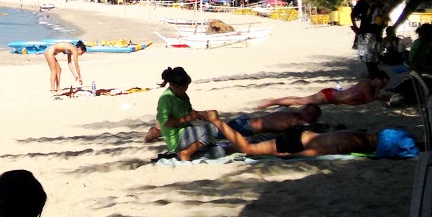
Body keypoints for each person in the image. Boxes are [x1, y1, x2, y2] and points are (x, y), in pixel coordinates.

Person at [203, 114, 417, 158]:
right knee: (249, 149)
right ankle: (216, 121)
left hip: (301, 134)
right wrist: (292, 156)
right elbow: (318, 151)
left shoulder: (359, 134)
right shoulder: (349, 143)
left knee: (251, 146)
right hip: (296, 142)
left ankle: (221, 147)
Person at [143, 104, 321, 145]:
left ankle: (167, 126)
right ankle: (159, 131)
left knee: (207, 129)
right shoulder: (296, 119)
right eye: (309, 111)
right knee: (209, 131)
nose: (309, 115)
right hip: (245, 126)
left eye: (312, 115)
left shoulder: (296, 118)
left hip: (246, 124)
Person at [155, 66, 218, 161]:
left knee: (218, 152)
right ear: (171, 85)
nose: (183, 90)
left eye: (185, 87)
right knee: (213, 129)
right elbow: (165, 122)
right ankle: (186, 153)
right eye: (180, 88)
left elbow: (188, 111)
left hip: (187, 131)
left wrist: (199, 115)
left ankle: (188, 151)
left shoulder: (183, 95)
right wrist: (186, 118)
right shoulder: (165, 99)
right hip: (177, 137)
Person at [255, 67, 391, 108]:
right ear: (378, 79)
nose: (383, 85)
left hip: (333, 97)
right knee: (300, 101)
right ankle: (272, 102)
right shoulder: (367, 85)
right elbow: (370, 100)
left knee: (300, 100)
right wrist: (379, 90)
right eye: (383, 83)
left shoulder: (368, 85)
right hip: (330, 96)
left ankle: (277, 101)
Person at [350, 0, 387, 71]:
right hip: (377, 31)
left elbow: (353, 15)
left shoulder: (362, 2)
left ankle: (372, 74)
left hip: (365, 30)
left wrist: (356, 27)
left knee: (367, 56)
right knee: (375, 55)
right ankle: (375, 73)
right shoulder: (380, 2)